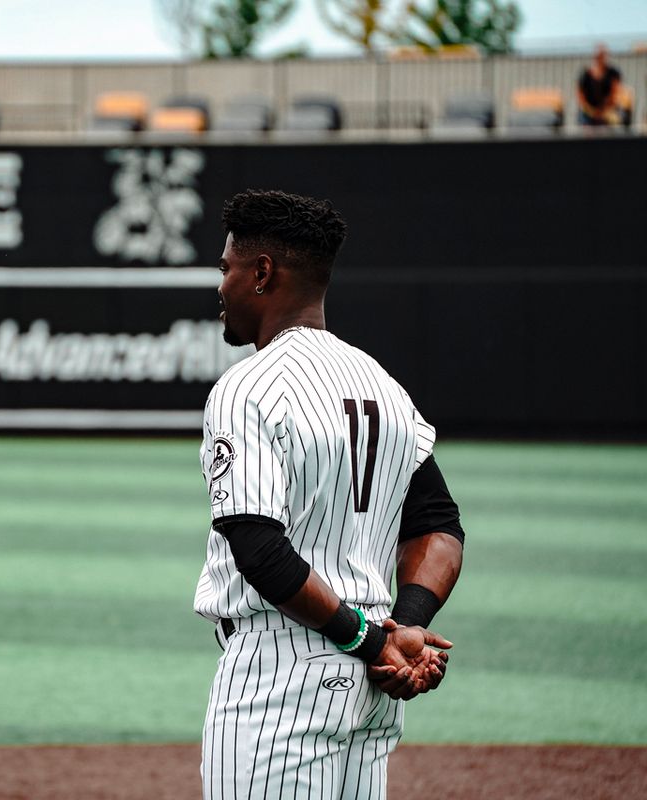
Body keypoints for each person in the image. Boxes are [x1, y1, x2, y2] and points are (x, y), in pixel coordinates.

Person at [195, 189, 465, 799]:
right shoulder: (385, 386)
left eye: (226, 269)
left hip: (281, 673)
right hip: (372, 682)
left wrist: (370, 639)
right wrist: (407, 629)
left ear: (262, 273)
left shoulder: (248, 388)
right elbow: (440, 527)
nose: (220, 286)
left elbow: (259, 548)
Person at [577, 44, 623, 126]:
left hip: (608, 110)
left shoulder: (613, 73)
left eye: (602, 55)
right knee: (584, 124)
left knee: (616, 122)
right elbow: (580, 96)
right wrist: (592, 111)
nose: (600, 58)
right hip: (589, 112)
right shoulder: (586, 74)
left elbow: (615, 94)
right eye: (598, 56)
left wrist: (603, 111)